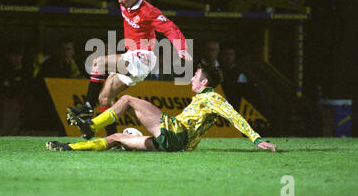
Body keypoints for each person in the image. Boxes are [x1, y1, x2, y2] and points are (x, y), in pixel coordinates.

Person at [67, 0, 192, 136]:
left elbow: (170, 28)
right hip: (131, 55)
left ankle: (87, 107)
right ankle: (112, 137)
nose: (120, 2)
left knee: (98, 62)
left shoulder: (149, 11)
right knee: (104, 97)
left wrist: (181, 48)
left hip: (144, 57)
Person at [46, 62, 276, 152]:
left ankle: (90, 127)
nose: (192, 78)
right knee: (116, 137)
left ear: (205, 82)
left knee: (127, 99)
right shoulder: (203, 100)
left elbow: (235, 116)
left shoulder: (212, 98)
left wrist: (257, 140)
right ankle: (69, 147)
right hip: (175, 145)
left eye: (195, 76)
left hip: (174, 131)